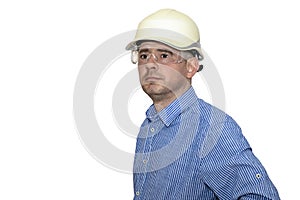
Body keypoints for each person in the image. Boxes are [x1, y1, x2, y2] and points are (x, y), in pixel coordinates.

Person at [126, 8, 280, 199]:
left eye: (164, 55)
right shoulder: (149, 125)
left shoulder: (212, 129)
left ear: (191, 66)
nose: (150, 64)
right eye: (143, 55)